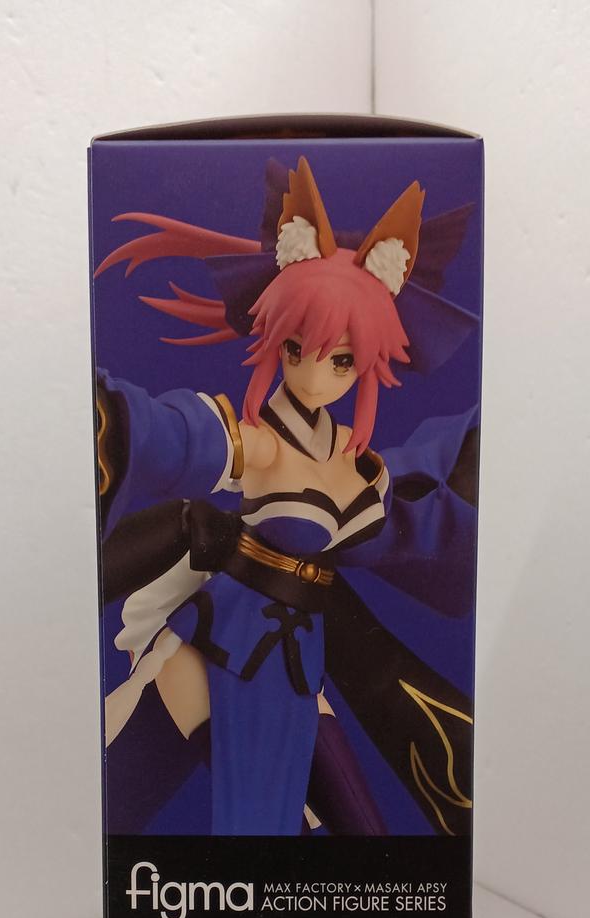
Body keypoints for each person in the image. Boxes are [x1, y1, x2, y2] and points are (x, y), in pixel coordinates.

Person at [95, 157, 480, 837]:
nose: (314, 374)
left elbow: (416, 527)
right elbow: (175, 438)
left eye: (341, 360)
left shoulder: (356, 461)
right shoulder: (262, 443)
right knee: (258, 835)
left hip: (298, 662)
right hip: (226, 653)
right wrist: (114, 419)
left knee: (358, 838)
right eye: (296, 347)